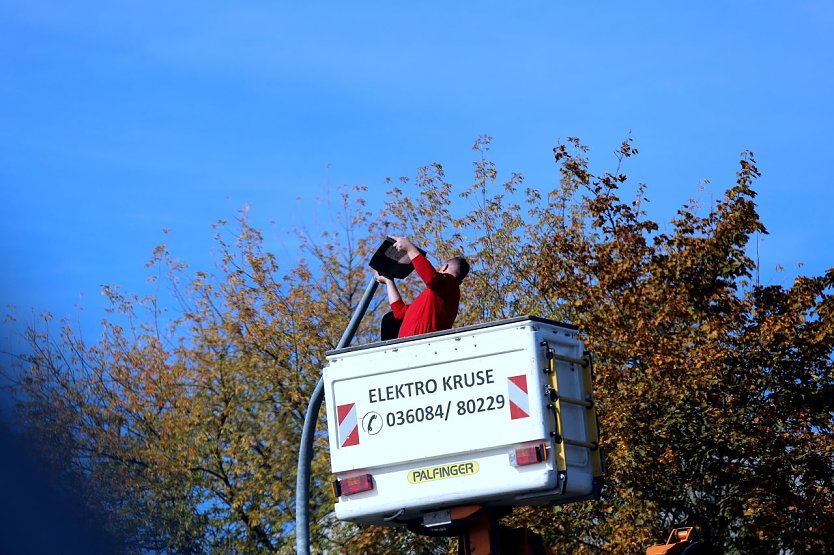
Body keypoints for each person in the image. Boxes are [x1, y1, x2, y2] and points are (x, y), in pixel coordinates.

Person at [373, 236, 469, 339]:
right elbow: (399, 313)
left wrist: (409, 248)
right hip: (406, 348)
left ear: (444, 267)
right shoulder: (432, 298)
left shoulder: (451, 283)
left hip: (423, 347)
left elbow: (431, 278)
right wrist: (389, 281)